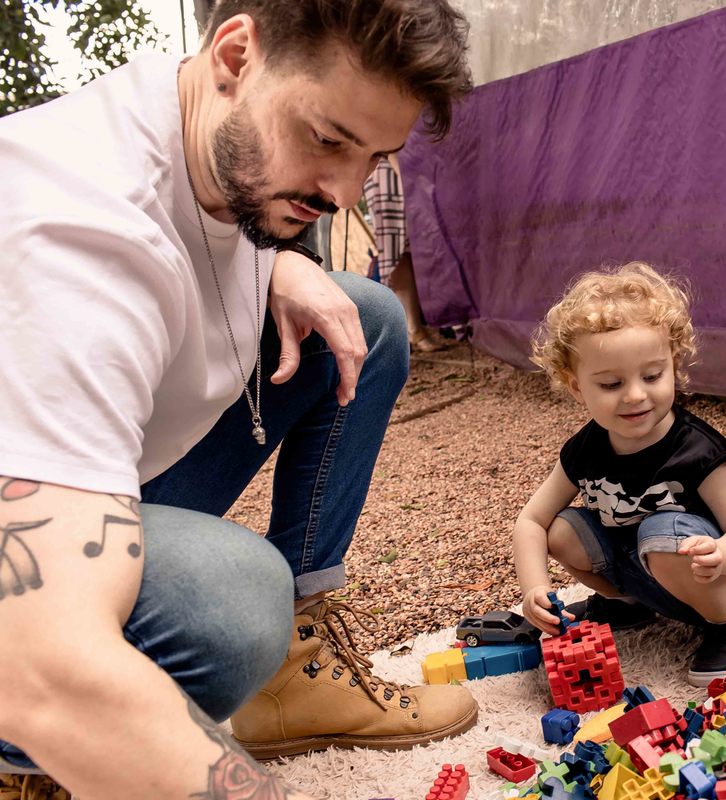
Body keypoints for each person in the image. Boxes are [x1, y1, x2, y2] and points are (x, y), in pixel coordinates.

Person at [0, 2, 475, 798]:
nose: (344, 192)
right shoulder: (75, 238)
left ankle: (294, 674)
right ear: (234, 56)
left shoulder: (209, 134)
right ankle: (25, 766)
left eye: (375, 158)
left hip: (86, 462)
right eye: (327, 140)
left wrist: (282, 268)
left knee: (366, 319)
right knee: (230, 603)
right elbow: (42, 665)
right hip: (25, 548)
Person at [513, 262, 726, 687]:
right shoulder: (587, 449)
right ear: (577, 387)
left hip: (715, 574)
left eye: (652, 376)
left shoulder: (699, 452)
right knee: (560, 529)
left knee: (661, 529)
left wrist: (722, 554)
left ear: (674, 365)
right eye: (611, 384)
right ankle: (631, 603)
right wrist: (534, 590)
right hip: (647, 567)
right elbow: (531, 521)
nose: (636, 395)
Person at [364, 154, 446, 352]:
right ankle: (411, 329)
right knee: (395, 251)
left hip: (411, 168)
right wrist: (405, 176)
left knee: (411, 250)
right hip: (388, 170)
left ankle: (412, 329)